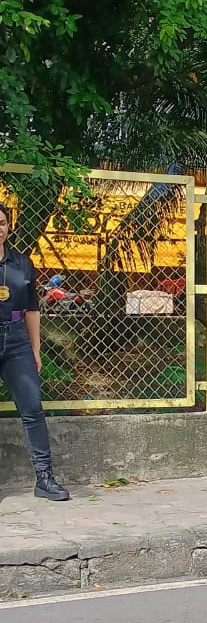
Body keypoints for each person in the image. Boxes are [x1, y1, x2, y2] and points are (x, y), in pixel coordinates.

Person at [0, 204, 70, 501]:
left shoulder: (21, 263)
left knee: (33, 408)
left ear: (8, 226)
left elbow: (31, 308)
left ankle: (44, 478)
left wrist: (35, 349)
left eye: (1, 222)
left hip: (16, 340)